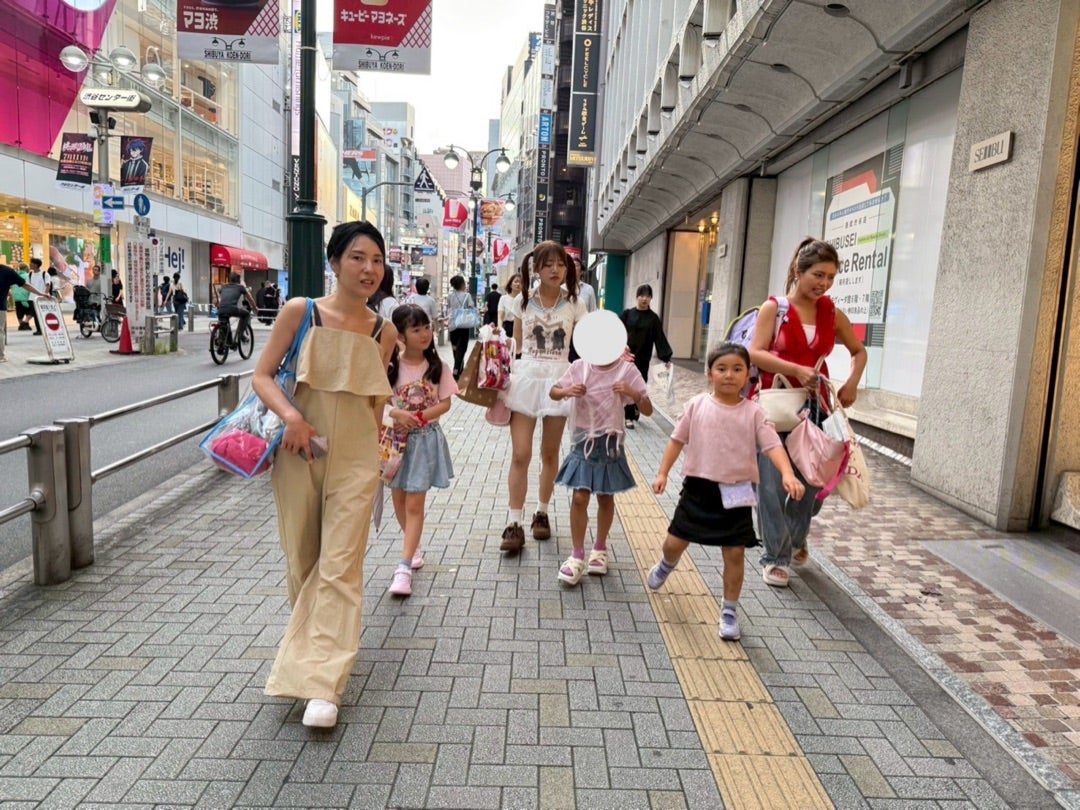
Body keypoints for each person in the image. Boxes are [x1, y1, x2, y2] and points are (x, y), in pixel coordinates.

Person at [254, 220, 397, 729]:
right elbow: (262, 375)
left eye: (377, 260)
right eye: (358, 257)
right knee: (303, 560)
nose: (369, 269)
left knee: (340, 567)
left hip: (357, 461)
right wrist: (291, 417)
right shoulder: (302, 311)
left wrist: (384, 455)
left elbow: (375, 404)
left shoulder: (384, 331)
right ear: (334, 262)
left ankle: (323, 685)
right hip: (300, 453)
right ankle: (315, 649)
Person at [647, 342, 806, 640]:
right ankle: (666, 565)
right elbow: (677, 439)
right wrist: (662, 473)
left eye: (737, 369)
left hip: (737, 493)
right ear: (710, 374)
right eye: (721, 369)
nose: (729, 375)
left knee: (734, 553)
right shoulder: (696, 405)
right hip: (698, 489)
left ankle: (729, 610)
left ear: (747, 375)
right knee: (674, 542)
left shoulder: (755, 413)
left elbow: (772, 445)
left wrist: (787, 473)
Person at [748, 237, 867, 588]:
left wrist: (852, 384)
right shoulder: (775, 309)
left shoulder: (832, 313)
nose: (824, 283)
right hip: (774, 403)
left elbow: (859, 351)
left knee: (812, 483)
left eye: (831, 277)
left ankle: (795, 539)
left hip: (816, 407)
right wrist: (795, 369)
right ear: (798, 272)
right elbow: (755, 353)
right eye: (818, 275)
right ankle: (775, 556)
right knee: (771, 485)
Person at [499, 241, 588, 553]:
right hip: (526, 379)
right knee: (520, 453)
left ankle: (542, 512)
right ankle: (514, 522)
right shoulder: (521, 301)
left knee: (550, 454)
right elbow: (516, 344)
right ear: (536, 268)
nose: (555, 270)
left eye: (561, 264)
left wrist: (615, 352)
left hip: (560, 380)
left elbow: (590, 342)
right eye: (548, 264)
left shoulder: (575, 303)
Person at [548, 332, 651, 585]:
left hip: (610, 443)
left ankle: (600, 548)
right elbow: (553, 391)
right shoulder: (580, 367)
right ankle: (577, 555)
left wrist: (632, 393)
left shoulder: (626, 370)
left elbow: (648, 409)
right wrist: (568, 391)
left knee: (605, 496)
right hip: (583, 441)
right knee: (579, 497)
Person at [384, 304, 458, 597]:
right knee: (399, 498)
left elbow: (445, 403)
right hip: (393, 441)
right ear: (400, 336)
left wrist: (418, 417)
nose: (425, 334)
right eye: (416, 329)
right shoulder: (390, 367)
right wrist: (395, 414)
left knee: (414, 503)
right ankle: (413, 546)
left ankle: (403, 568)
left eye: (427, 327)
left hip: (424, 440)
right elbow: (379, 401)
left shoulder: (438, 367)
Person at [620, 284, 673, 428]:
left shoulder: (653, 318)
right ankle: (628, 416)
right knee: (628, 384)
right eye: (642, 295)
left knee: (640, 385)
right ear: (637, 297)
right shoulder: (627, 314)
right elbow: (617, 330)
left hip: (643, 358)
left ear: (651, 299)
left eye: (648, 296)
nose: (645, 299)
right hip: (627, 357)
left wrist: (666, 357)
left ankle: (636, 408)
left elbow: (659, 338)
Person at [0, 264, 53, 363]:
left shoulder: (7, 271)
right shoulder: (7, 271)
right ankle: (0, 356)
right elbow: (25, 285)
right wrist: (41, 294)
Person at [216, 272, 257, 348]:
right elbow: (250, 299)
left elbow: (220, 293)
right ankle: (241, 335)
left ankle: (223, 341)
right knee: (246, 314)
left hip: (220, 309)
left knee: (224, 324)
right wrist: (255, 308)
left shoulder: (223, 287)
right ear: (238, 280)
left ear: (230, 279)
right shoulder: (240, 287)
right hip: (232, 309)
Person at [446, 275, 475, 380]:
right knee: (462, 348)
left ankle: (459, 369)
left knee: (455, 348)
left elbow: (449, 307)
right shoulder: (467, 295)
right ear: (463, 284)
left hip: (452, 325)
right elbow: (471, 307)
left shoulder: (450, 296)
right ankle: (456, 369)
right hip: (463, 325)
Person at [498, 274, 522, 339]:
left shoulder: (525, 299)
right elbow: (500, 317)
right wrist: (500, 329)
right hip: (507, 329)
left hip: (521, 328)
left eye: (521, 282)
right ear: (510, 284)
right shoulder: (503, 298)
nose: (518, 284)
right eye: (516, 281)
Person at [26, 259, 48, 334]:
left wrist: (45, 294)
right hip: (32, 298)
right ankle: (39, 330)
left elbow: (48, 285)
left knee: (43, 314)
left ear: (36, 265)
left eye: (31, 263)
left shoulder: (44, 274)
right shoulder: (30, 274)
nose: (30, 265)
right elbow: (28, 286)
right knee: (36, 315)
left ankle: (44, 329)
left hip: (42, 298)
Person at [12, 263, 32, 330]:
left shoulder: (15, 276)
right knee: (32, 311)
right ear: (27, 268)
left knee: (19, 312)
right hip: (26, 297)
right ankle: (25, 322)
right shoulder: (28, 276)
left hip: (16, 298)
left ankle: (21, 325)